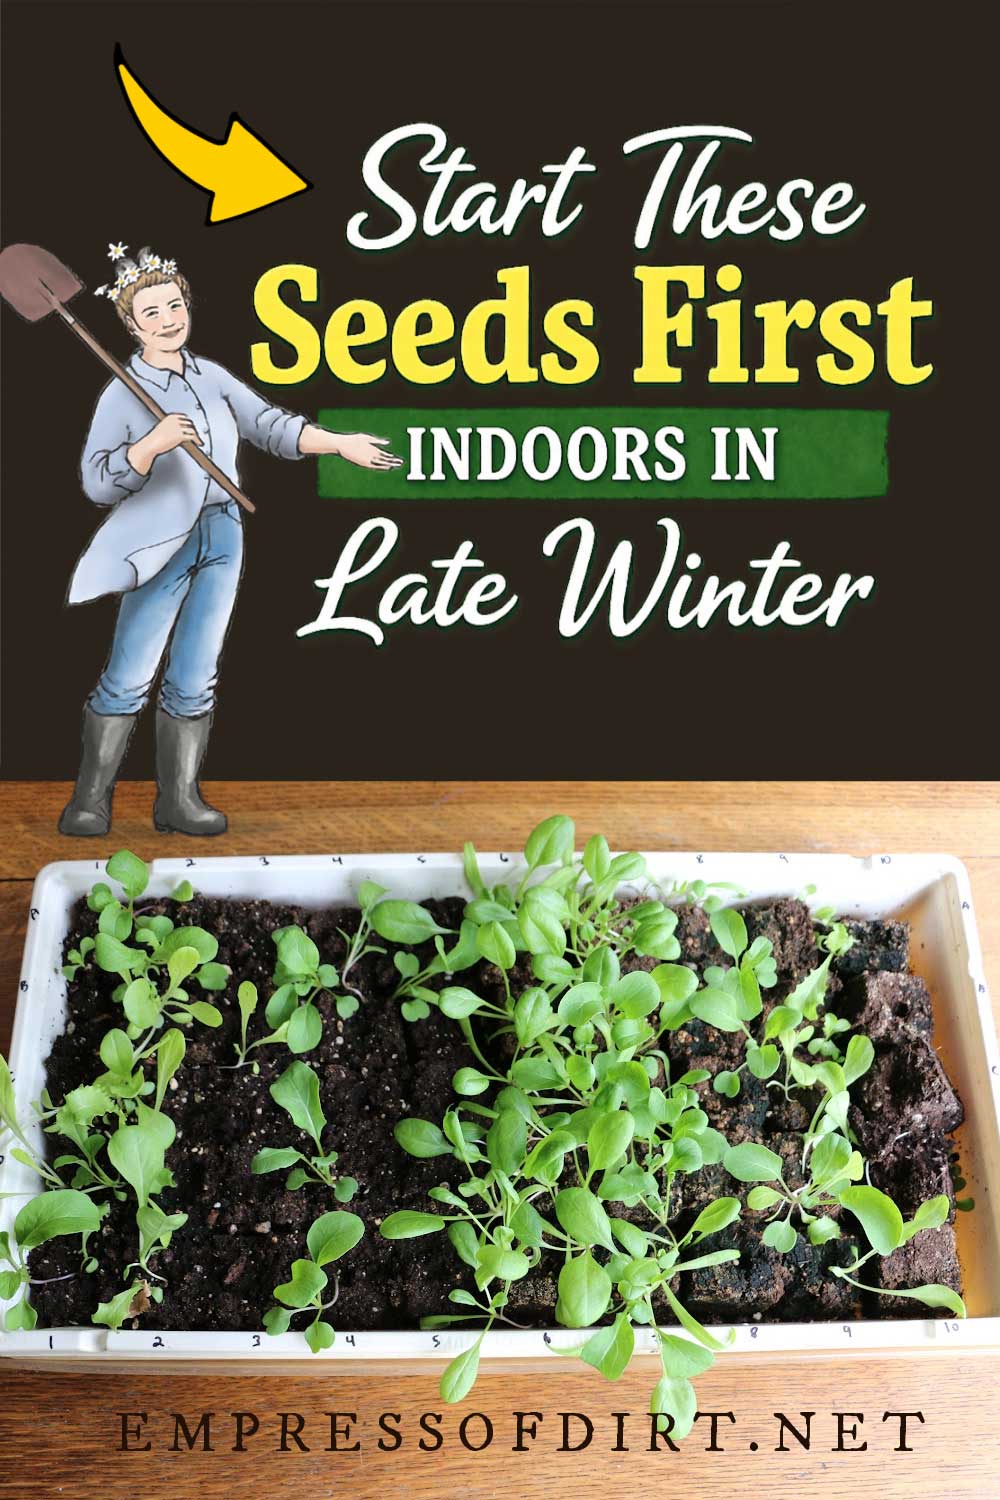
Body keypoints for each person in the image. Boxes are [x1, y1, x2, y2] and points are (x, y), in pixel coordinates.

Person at [59, 244, 401, 837]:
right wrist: (150, 446)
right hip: (160, 543)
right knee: (131, 671)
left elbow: (268, 425)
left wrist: (339, 443)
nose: (168, 319)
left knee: (197, 671)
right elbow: (96, 482)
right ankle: (88, 803)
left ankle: (179, 802)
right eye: (151, 312)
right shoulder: (122, 392)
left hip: (223, 533)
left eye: (175, 305)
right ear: (131, 325)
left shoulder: (211, 376)